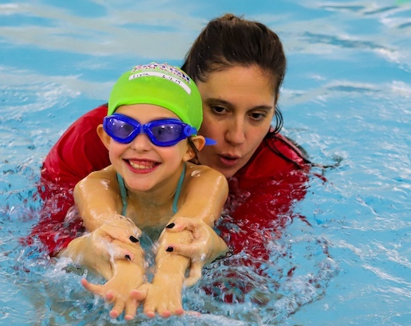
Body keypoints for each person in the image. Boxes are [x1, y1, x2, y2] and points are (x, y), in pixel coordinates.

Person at [29, 13, 312, 307]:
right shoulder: (97, 140)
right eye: (218, 109)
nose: (237, 137)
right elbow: (42, 239)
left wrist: (177, 269)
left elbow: (247, 272)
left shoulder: (279, 168)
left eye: (257, 115)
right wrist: (83, 251)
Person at [60, 63, 228, 320]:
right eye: (123, 128)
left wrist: (169, 279)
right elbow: (112, 234)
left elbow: (187, 230)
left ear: (190, 149)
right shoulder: (93, 186)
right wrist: (127, 273)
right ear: (106, 138)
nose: (139, 145)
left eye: (164, 132)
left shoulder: (207, 181)